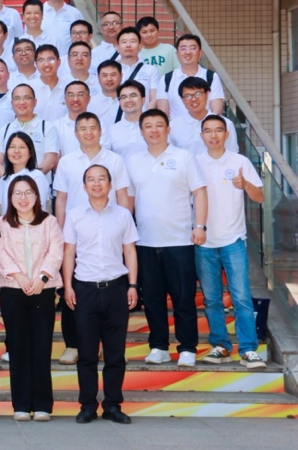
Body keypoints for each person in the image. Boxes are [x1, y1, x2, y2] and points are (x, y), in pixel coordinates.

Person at [127, 109, 207, 367]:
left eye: (159, 125)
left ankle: (187, 348)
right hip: (145, 242)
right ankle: (159, 346)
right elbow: (129, 200)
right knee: (152, 299)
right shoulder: (133, 161)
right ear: (141, 131)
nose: (154, 130)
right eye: (148, 126)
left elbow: (200, 192)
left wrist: (200, 226)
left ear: (168, 129)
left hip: (179, 241)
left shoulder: (184, 157)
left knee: (183, 298)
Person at [62, 164, 140, 425]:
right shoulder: (74, 215)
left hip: (116, 289)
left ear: (110, 184)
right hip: (85, 290)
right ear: (84, 186)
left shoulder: (123, 215)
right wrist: (68, 286)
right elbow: (69, 252)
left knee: (115, 353)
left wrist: (132, 285)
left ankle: (113, 405)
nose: (96, 184)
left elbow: (129, 251)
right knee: (86, 353)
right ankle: (87, 405)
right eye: (91, 180)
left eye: (102, 179)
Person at [195, 115, 266, 369]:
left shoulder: (240, 161)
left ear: (227, 134)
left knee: (241, 297)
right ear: (201, 135)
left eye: (218, 130)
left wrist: (245, 184)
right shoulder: (194, 162)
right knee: (212, 299)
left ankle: (248, 349)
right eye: (208, 131)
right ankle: (221, 346)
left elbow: (260, 197)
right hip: (203, 241)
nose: (213, 135)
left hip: (233, 239)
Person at [0, 176, 63, 421]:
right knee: (18, 346)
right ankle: (21, 405)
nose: (23, 198)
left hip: (43, 289)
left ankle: (42, 404)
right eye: (17, 193)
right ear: (10, 198)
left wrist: (42, 278)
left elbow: (56, 251)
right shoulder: (2, 224)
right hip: (13, 289)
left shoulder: (50, 222)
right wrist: (20, 277)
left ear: (36, 196)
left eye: (28, 193)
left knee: (42, 346)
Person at [157, 34, 224, 119]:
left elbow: (217, 111)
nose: (188, 52)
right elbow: (163, 114)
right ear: (177, 54)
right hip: (176, 127)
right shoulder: (166, 79)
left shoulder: (211, 77)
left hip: (206, 126)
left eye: (192, 48)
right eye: (183, 48)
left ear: (200, 53)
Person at [0, 131, 51, 214]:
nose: (16, 151)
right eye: (12, 147)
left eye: (22, 147)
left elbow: (39, 208)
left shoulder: (37, 176)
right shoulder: (2, 180)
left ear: (30, 152)